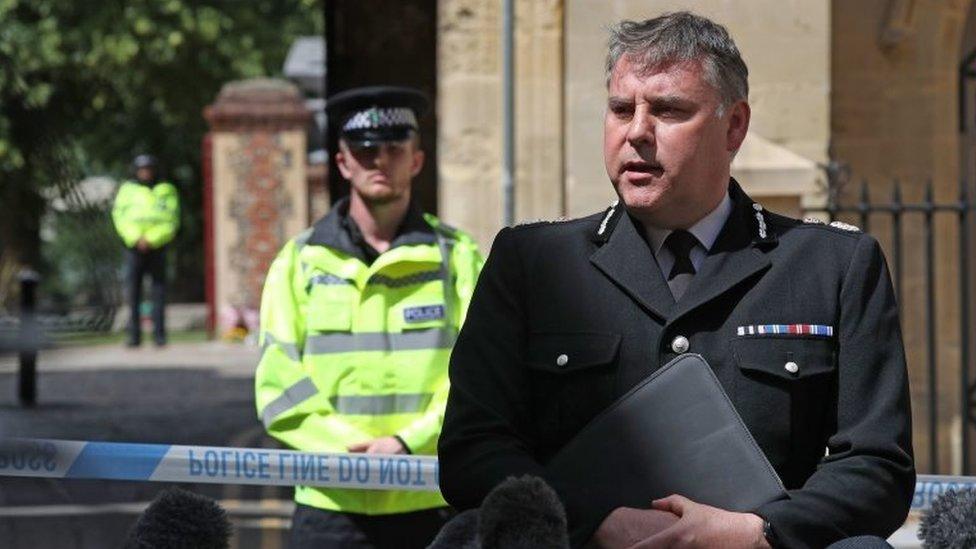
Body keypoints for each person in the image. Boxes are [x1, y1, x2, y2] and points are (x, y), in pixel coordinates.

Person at [438, 12, 914, 549]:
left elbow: (876, 468)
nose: (637, 131)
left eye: (668, 110)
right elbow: (473, 451)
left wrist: (758, 533)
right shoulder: (531, 262)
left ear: (733, 126)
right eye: (621, 109)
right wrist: (593, 520)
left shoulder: (832, 266)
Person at [254, 86, 484, 549]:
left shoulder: (458, 257)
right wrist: (347, 452)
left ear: (416, 160)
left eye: (394, 149)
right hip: (330, 505)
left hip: (430, 498)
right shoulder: (299, 262)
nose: (380, 160)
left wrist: (407, 442)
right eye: (364, 150)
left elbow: (482, 377)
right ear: (343, 163)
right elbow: (277, 383)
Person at [111, 154, 179, 347]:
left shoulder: (166, 190)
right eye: (142, 169)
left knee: (159, 292)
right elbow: (120, 216)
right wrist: (135, 238)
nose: (145, 172)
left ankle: (159, 335)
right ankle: (133, 336)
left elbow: (171, 220)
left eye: (149, 169)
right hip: (133, 247)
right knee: (133, 292)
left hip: (157, 246)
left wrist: (152, 239)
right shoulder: (127, 190)